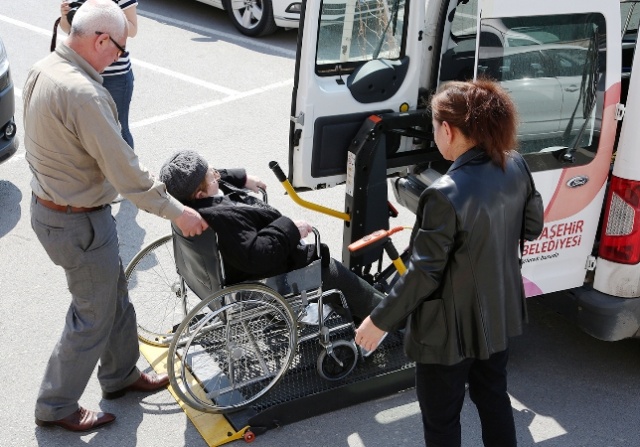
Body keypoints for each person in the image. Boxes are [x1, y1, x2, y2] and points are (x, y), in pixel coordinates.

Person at [24, 0, 208, 433]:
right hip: (77, 219)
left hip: (58, 208)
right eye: (120, 49)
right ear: (100, 38)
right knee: (93, 315)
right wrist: (176, 211)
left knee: (114, 296)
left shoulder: (47, 66)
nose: (121, 57)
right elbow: (127, 172)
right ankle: (55, 404)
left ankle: (122, 375)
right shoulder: (85, 94)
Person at [355, 79, 544, 447]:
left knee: (442, 421)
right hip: (498, 313)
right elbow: (533, 227)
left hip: (446, 332)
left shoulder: (444, 192)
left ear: (448, 129)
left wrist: (379, 321)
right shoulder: (516, 164)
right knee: (493, 398)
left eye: (433, 128)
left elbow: (424, 272)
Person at [158, 150, 385, 321]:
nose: (217, 174)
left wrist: (242, 178)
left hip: (215, 275)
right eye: (213, 175)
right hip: (265, 274)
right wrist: (290, 228)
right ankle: (383, 313)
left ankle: (355, 306)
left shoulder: (186, 210)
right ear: (200, 193)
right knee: (331, 270)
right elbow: (259, 255)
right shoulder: (223, 219)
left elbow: (214, 178)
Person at [59, 0, 137, 149]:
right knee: (85, 131)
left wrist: (105, 14)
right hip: (84, 72)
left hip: (115, 76)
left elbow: (133, 29)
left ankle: (127, 172)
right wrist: (64, 16)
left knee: (118, 129)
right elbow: (69, 29)